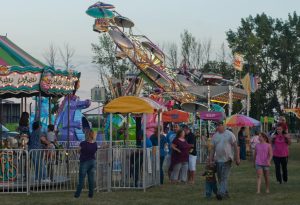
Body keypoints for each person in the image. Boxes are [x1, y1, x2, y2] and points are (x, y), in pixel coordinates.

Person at [209, 122, 240, 200]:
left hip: (227, 159)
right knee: (220, 178)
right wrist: (210, 159)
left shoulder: (230, 134)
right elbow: (212, 149)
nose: (218, 127)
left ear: (224, 126)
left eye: (220, 125)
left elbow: (236, 146)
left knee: (224, 177)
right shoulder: (215, 136)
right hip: (218, 160)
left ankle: (220, 193)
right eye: (217, 125)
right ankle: (225, 193)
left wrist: (237, 158)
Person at [74, 130, 98, 198]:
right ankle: (91, 195)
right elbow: (95, 150)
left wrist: (80, 151)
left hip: (84, 162)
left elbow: (78, 151)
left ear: (87, 135)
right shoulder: (95, 144)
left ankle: (77, 195)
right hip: (92, 161)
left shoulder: (83, 143)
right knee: (91, 179)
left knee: (81, 179)